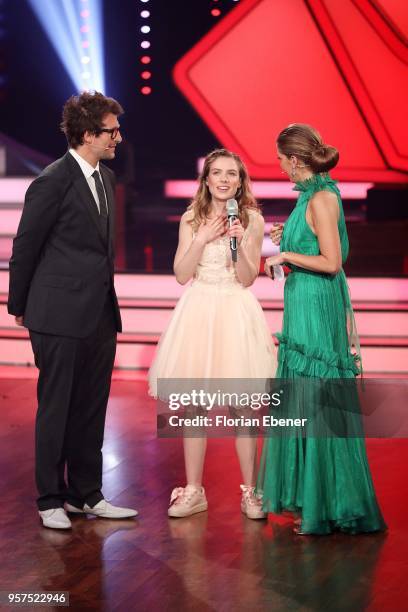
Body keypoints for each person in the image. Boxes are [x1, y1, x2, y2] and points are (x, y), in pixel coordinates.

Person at [8, 91, 137, 529]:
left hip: (99, 311)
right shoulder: (53, 179)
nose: (118, 137)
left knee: (91, 405)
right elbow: (25, 245)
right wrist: (19, 304)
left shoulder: (106, 178)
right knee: (57, 406)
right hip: (56, 312)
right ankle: (50, 499)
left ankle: (87, 494)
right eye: (111, 131)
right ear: (87, 134)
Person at [257, 123, 386, 534]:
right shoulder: (311, 196)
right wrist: (287, 235)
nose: (279, 167)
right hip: (303, 304)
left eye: (281, 160)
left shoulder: (324, 197)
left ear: (295, 160)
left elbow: (332, 261)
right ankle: (310, 500)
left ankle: (330, 504)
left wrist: (284, 255)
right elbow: (314, 242)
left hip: (317, 306)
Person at [148, 149, 277, 519]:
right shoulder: (191, 217)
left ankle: (251, 491)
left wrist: (238, 243)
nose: (224, 179)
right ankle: (193, 490)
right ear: (206, 180)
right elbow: (181, 273)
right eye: (217, 173)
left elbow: (248, 278)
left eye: (231, 174)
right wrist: (202, 238)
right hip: (199, 311)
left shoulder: (251, 219)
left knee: (244, 408)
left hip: (235, 309)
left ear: (240, 181)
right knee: (193, 407)